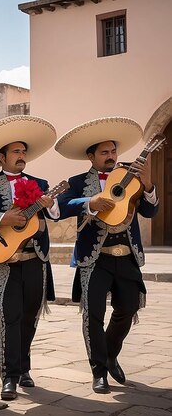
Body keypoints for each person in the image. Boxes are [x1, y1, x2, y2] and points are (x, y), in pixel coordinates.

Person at [54, 117, 159, 394]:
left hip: (127, 256)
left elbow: (150, 212)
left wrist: (148, 185)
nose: (111, 156)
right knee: (93, 315)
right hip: (94, 259)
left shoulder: (131, 178)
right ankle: (98, 371)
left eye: (113, 151)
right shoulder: (78, 182)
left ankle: (111, 354)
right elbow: (61, 208)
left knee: (129, 308)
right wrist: (89, 202)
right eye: (104, 152)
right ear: (91, 156)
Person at [0, 115, 59, 400]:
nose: (21, 156)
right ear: (2, 156)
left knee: (30, 317)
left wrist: (50, 206)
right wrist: (3, 218)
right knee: (7, 318)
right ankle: (9, 376)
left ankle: (24, 367)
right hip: (5, 260)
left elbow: (53, 215)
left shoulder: (41, 183)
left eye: (23, 152)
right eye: (15, 152)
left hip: (35, 260)